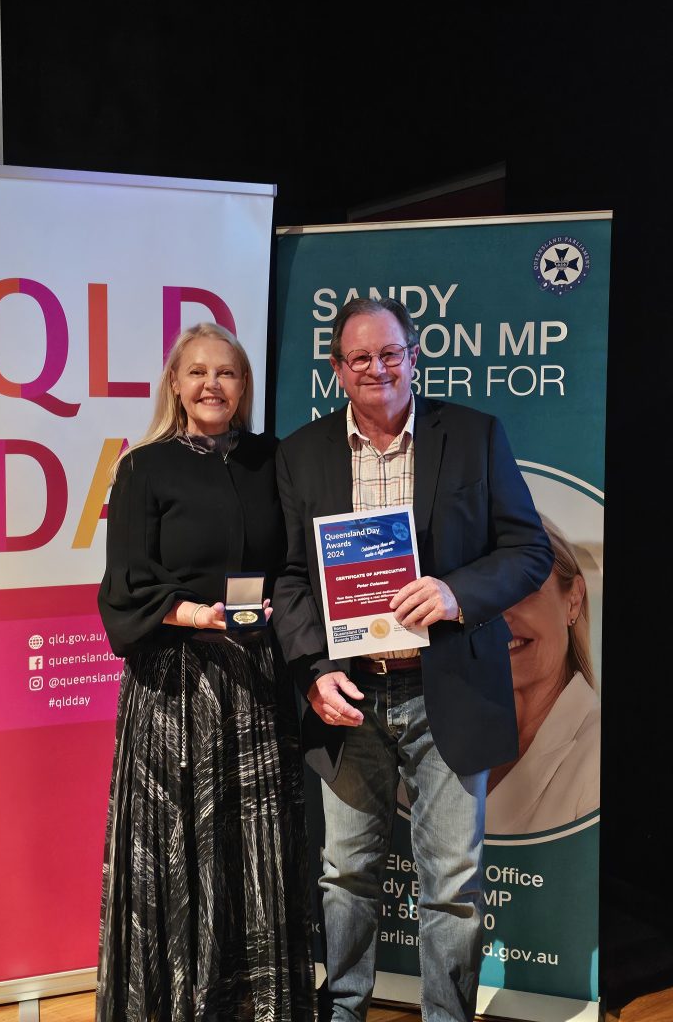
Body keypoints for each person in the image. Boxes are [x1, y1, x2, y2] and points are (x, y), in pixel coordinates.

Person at [272, 297, 553, 1022]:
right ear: (338, 370)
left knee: (452, 884)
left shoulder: (474, 435)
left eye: (390, 353)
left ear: (414, 356)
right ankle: (344, 1010)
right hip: (349, 695)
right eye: (360, 357)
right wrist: (313, 671)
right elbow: (291, 577)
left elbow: (529, 549)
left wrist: (458, 593)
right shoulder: (301, 453)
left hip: (447, 688)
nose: (378, 368)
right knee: (345, 875)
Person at [96, 323, 315, 1021]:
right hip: (176, 687)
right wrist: (199, 616)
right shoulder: (144, 468)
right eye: (197, 372)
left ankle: (254, 1006)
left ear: (244, 386)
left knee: (252, 849)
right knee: (177, 849)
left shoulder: (272, 460)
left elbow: (297, 562)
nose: (212, 385)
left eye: (226, 372)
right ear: (175, 384)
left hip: (256, 683)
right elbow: (126, 584)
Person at [486, 517, 600, 834]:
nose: (499, 618)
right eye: (482, 595)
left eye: (523, 589)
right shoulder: (429, 739)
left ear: (573, 600)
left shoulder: (598, 753)